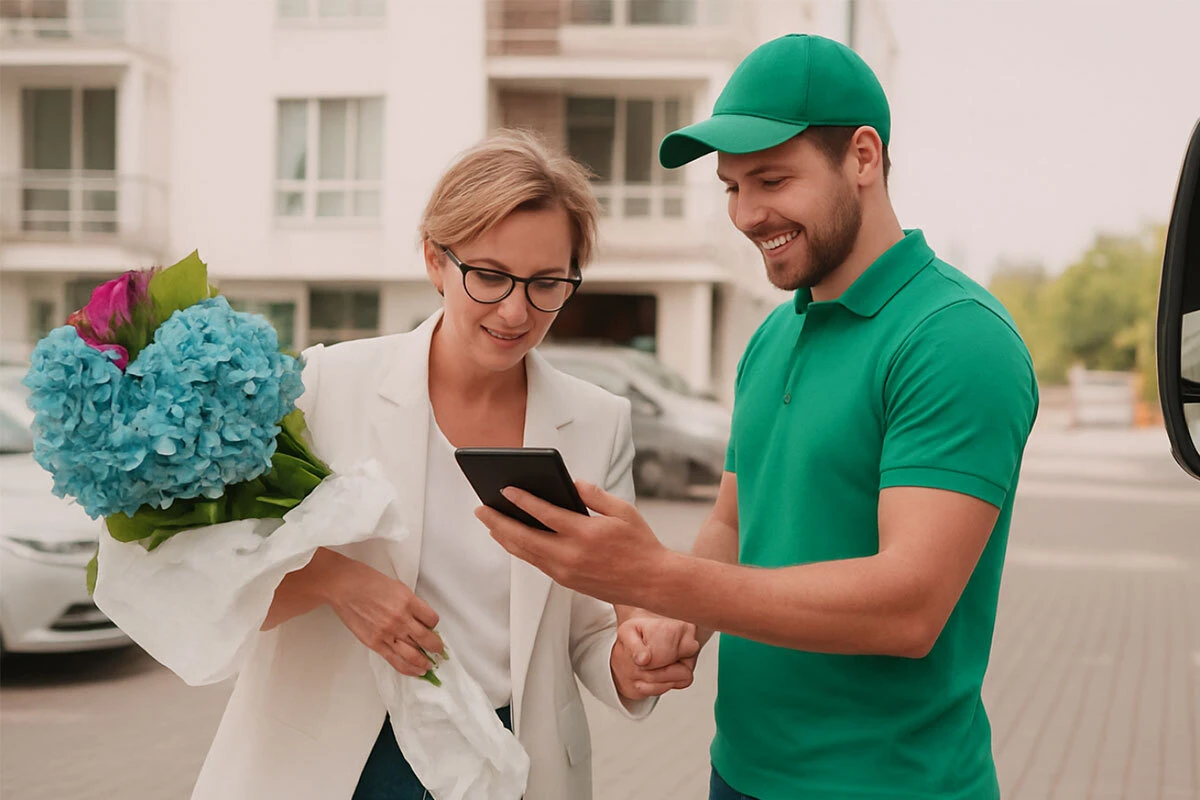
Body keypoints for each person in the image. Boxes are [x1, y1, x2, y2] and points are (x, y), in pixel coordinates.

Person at [478, 34, 1039, 800]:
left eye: (772, 179)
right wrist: (674, 620)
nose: (747, 213)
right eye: (731, 187)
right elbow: (735, 529)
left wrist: (656, 575)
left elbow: (909, 607)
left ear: (864, 158)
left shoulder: (955, 337)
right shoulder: (775, 334)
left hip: (892, 785)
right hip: (739, 773)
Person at [190, 130, 699, 800]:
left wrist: (631, 661)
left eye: (547, 283)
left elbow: (586, 627)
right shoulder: (320, 387)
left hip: (509, 763)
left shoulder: (599, 421)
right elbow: (212, 579)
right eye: (489, 276)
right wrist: (337, 582)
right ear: (435, 260)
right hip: (335, 765)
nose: (516, 311)